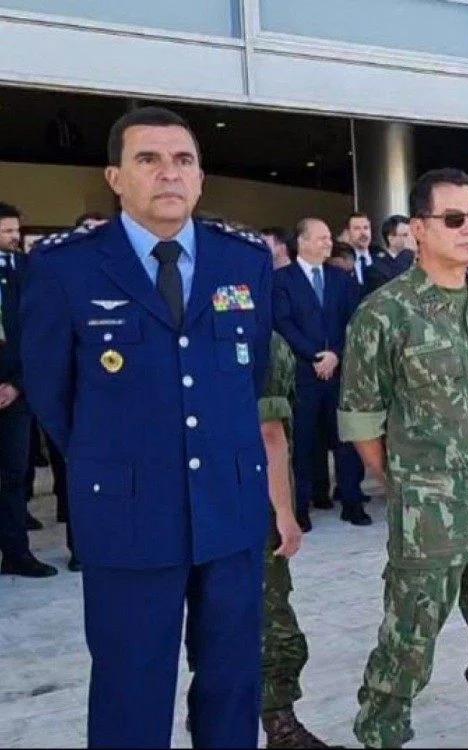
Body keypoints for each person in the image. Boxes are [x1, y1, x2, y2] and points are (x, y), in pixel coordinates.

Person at [21, 106, 273, 747]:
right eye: (149, 159)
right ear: (115, 176)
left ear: (201, 177)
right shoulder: (65, 266)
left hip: (230, 508)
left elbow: (253, 376)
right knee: (132, 691)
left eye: (183, 160)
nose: (169, 173)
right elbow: (53, 392)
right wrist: (115, 463)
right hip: (128, 517)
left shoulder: (243, 261)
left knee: (232, 684)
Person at [339, 168, 468, 749]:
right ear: (419, 230)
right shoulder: (384, 313)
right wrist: (408, 482)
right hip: (431, 515)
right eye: (454, 219)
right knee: (407, 643)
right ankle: (381, 736)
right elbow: (362, 420)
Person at [256, 331, 330, 748]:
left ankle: (210, 717)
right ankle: (280, 726)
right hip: (248, 504)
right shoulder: (261, 339)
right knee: (275, 626)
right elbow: (270, 435)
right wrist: (285, 513)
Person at [273, 218, 370, 530]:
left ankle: (352, 503)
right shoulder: (282, 280)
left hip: (339, 372)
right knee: (303, 443)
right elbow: (284, 324)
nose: (329, 243)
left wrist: (335, 355)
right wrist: (314, 356)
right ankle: (301, 508)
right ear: (301, 242)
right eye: (322, 238)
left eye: (329, 238)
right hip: (304, 374)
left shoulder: (341, 278)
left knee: (346, 441)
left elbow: (355, 321)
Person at [0, 201, 56, 578]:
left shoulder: (27, 271)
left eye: (15, 231)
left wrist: (16, 383)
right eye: (6, 231)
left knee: (13, 475)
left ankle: (16, 554)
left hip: (14, 394)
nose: (14, 237)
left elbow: (37, 331)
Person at [362, 214, 415, 294]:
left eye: (412, 235)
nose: (411, 239)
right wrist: (408, 252)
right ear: (391, 239)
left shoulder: (416, 258)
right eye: (405, 235)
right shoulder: (377, 263)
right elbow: (395, 280)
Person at [345, 212, 376, 287]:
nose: (363, 233)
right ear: (348, 233)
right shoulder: (342, 262)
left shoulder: (382, 260)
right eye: (357, 228)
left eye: (366, 228)